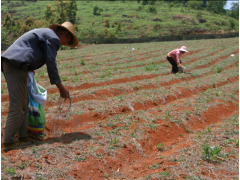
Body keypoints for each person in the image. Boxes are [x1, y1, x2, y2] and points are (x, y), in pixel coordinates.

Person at [1, 22, 79, 152]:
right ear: (64, 34)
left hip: (16, 63)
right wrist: (61, 89)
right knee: (18, 105)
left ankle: (24, 136)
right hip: (16, 65)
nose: (64, 44)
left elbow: (29, 47)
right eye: (66, 41)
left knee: (24, 103)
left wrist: (30, 67)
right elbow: (51, 64)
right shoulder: (54, 38)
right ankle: (9, 141)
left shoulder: (46, 34)